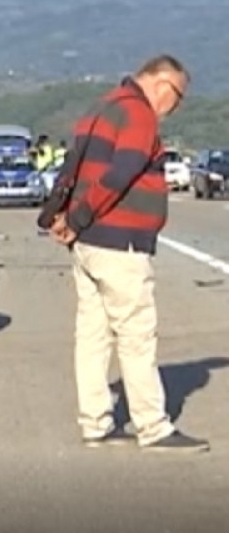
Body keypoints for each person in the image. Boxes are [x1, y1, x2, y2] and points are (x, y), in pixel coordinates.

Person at [48, 54, 208, 453]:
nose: (177, 106)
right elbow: (121, 172)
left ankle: (95, 422)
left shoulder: (101, 107)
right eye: (179, 96)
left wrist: (57, 214)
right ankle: (152, 426)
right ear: (161, 84)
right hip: (120, 244)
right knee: (136, 335)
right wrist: (80, 216)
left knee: (93, 335)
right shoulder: (138, 115)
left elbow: (71, 165)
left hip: (87, 244)